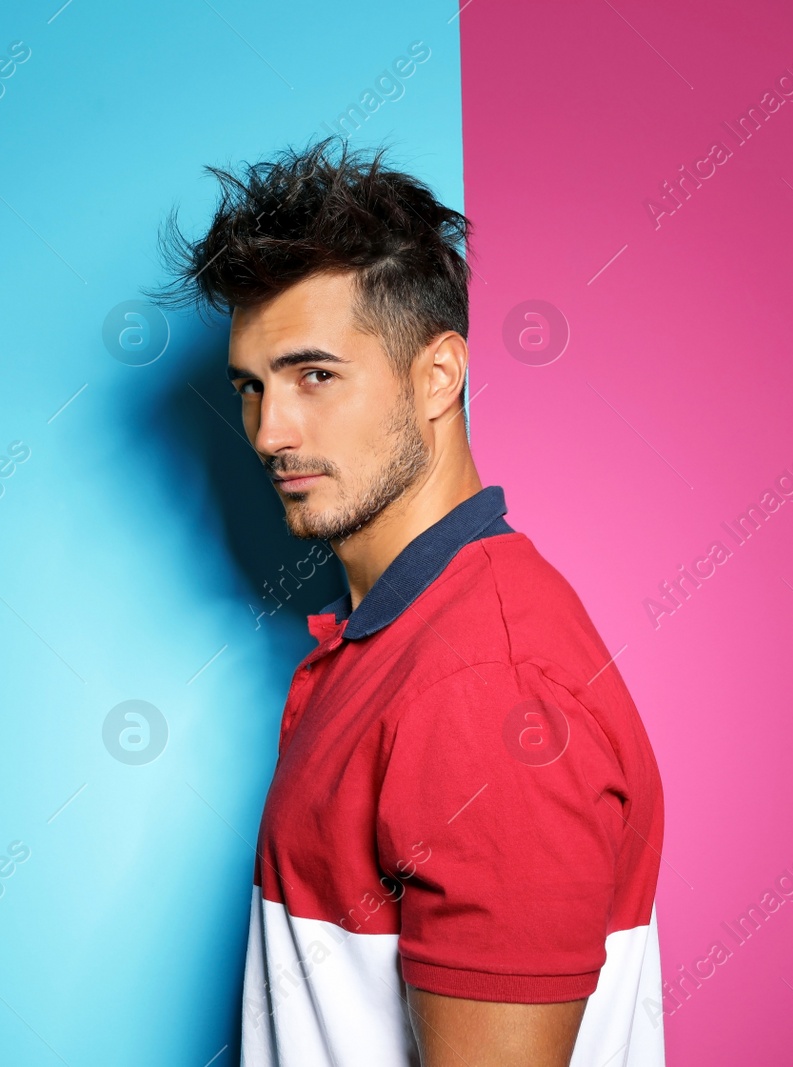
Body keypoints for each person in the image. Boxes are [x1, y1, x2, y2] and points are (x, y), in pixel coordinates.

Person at [152, 136, 665, 1067]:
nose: (270, 431)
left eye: (315, 374)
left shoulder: (484, 690)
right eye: (250, 387)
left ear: (439, 375)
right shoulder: (401, 642)